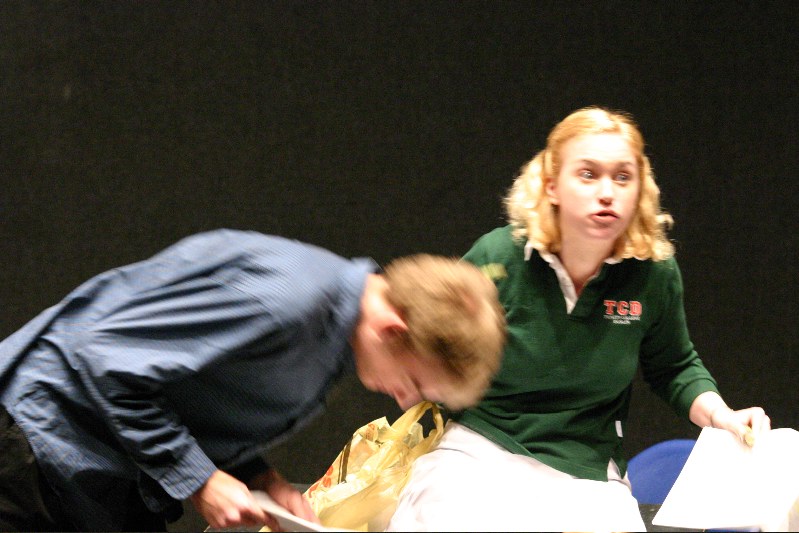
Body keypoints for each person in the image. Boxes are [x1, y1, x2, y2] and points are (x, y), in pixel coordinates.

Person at [387, 107, 771, 532]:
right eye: (588, 174)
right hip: (481, 448)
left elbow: (675, 366)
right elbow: (432, 338)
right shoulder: (499, 257)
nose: (607, 192)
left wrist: (722, 415)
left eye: (622, 177)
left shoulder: (654, 273)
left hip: (588, 468)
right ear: (552, 185)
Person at [0, 229, 506, 532]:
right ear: (393, 330)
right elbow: (103, 360)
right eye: (413, 382)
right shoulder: (285, 304)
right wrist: (200, 480)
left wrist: (261, 480)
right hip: (38, 450)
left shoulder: (335, 337)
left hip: (102, 479)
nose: (403, 400)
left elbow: (190, 395)